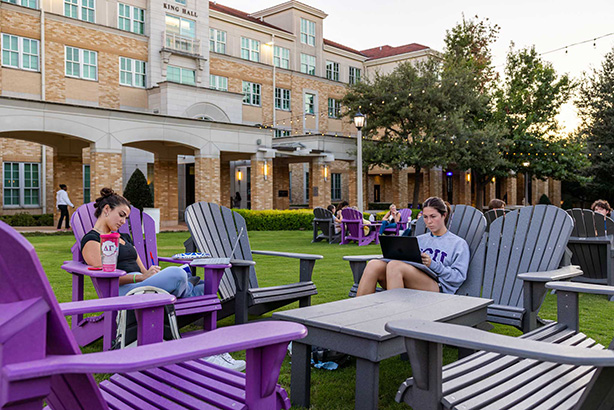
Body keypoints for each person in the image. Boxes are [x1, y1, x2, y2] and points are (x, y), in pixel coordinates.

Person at [81, 188, 245, 370]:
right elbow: (105, 276)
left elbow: (142, 269)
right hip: (123, 292)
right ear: (106, 210)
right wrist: (141, 277)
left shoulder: (124, 238)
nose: (123, 221)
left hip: (143, 284)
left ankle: (188, 294)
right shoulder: (92, 240)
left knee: (207, 286)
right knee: (178, 275)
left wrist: (149, 273)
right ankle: (187, 290)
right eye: (121, 215)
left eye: (126, 217)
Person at [357, 196, 470, 296]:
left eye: (433, 216)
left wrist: (433, 265)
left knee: (395, 266)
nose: (429, 221)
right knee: (374, 264)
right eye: (425, 217)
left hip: (439, 288)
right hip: (409, 280)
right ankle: (358, 312)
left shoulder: (458, 244)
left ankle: (395, 315)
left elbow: (458, 277)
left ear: (443, 215)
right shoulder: (419, 240)